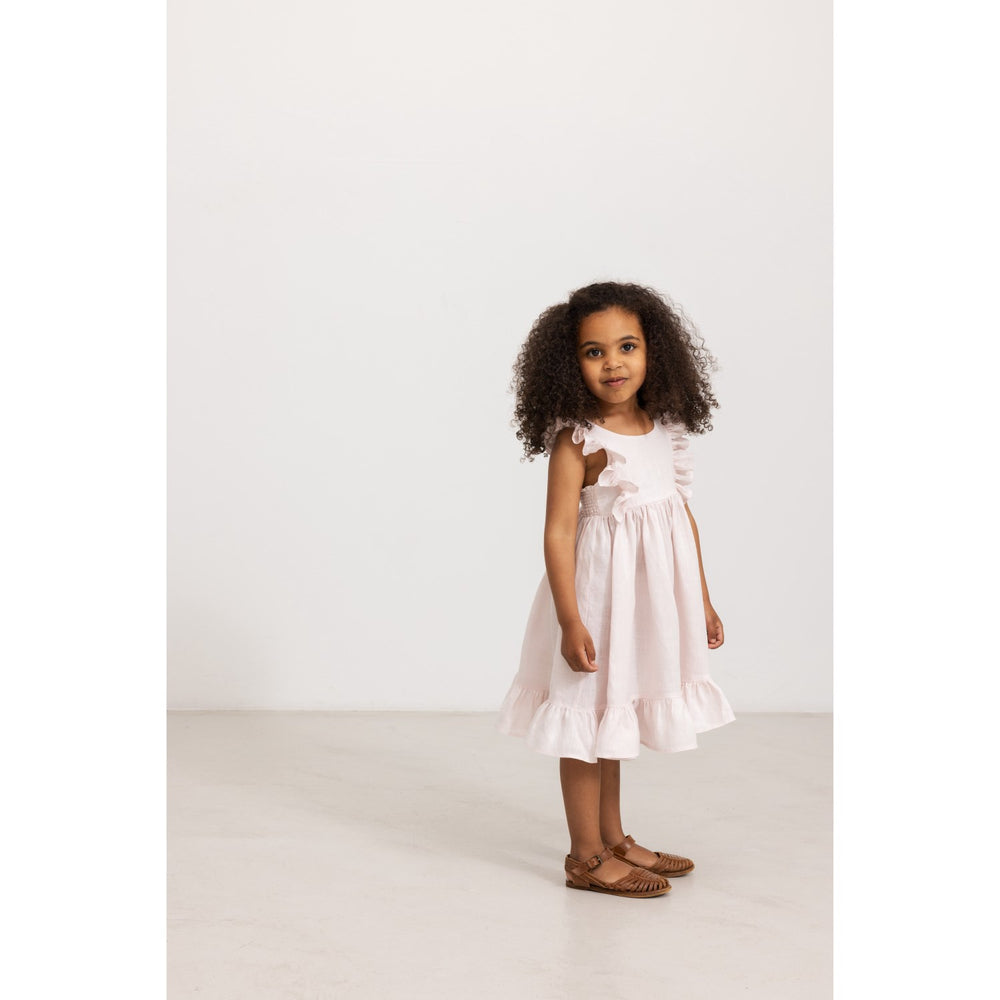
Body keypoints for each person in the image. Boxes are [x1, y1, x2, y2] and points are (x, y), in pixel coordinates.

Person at [496, 281, 736, 899]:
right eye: (594, 352)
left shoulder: (663, 431)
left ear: (654, 350)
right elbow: (557, 532)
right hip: (597, 601)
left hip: (640, 607)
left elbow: (681, 519)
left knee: (613, 714)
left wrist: (702, 600)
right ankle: (584, 855)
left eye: (627, 346)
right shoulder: (580, 440)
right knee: (584, 720)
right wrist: (570, 620)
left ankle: (614, 839)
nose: (613, 363)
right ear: (568, 364)